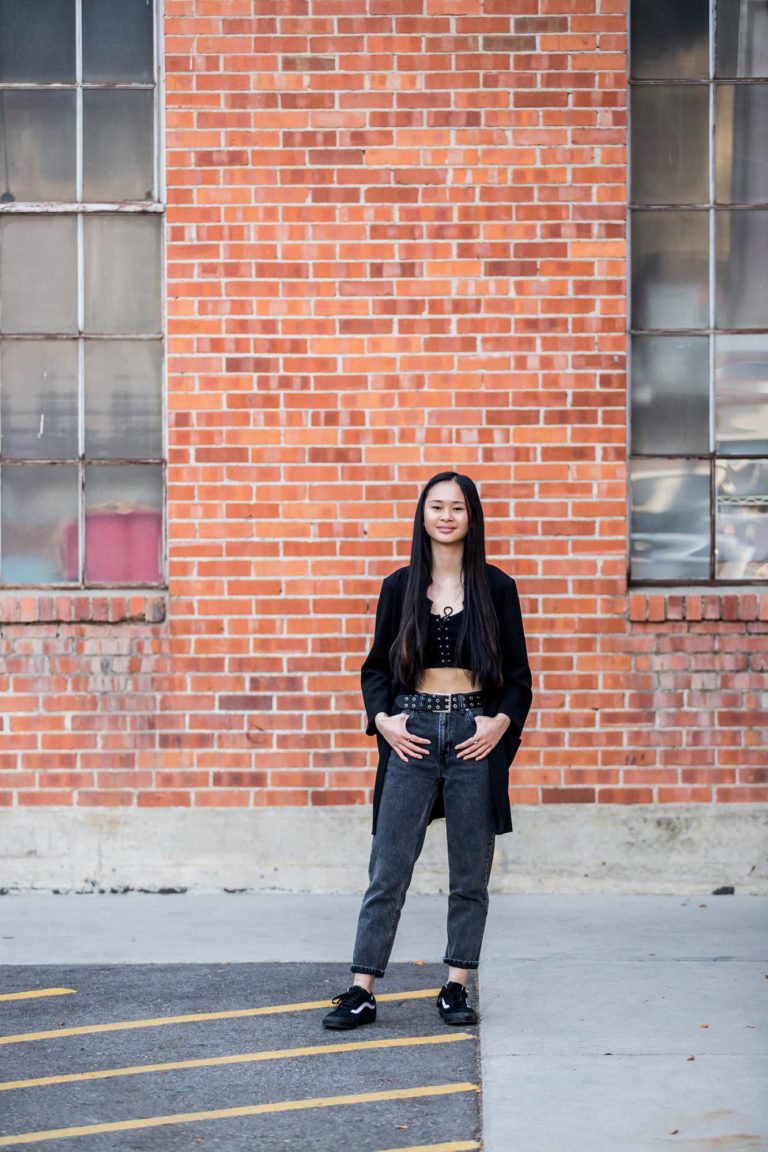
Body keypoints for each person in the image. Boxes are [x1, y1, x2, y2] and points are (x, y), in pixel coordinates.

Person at [323, 471, 533, 1030]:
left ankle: (456, 986)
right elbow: (374, 670)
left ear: (471, 518)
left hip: (472, 734)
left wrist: (500, 723)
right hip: (411, 733)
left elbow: (518, 677)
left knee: (470, 875)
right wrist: (384, 720)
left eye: (457, 508)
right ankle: (361, 989)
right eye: (436, 506)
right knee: (388, 869)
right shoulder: (399, 587)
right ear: (423, 515)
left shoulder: (497, 588)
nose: (446, 516)